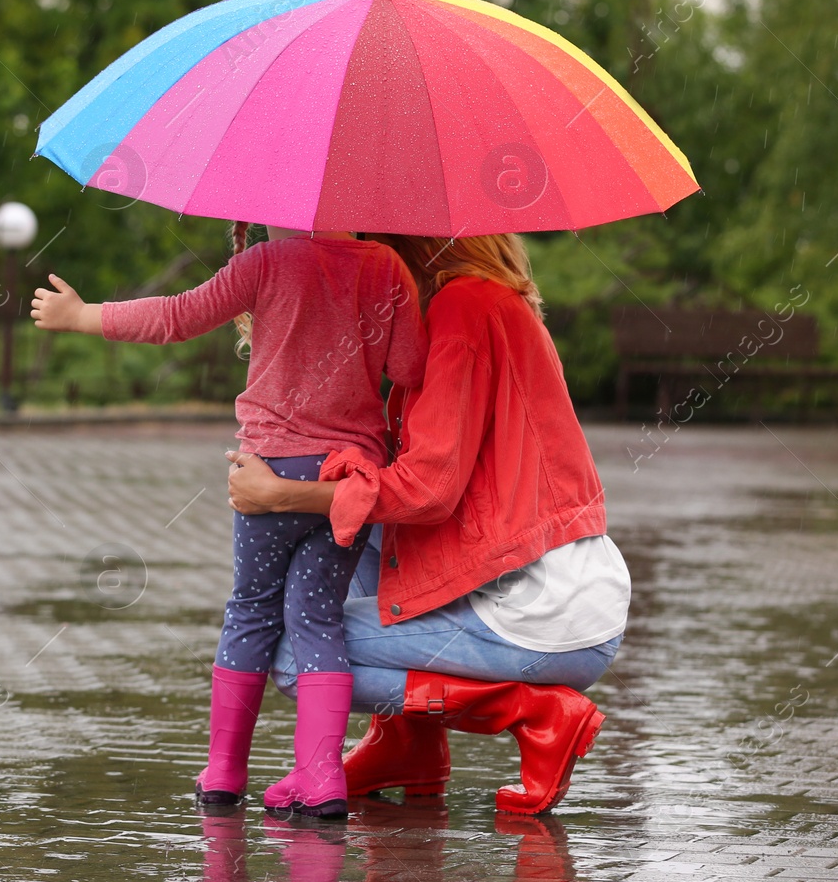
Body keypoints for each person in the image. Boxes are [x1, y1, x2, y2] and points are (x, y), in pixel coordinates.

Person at [30, 222, 426, 818]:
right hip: (345, 478)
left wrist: (84, 316)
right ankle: (322, 778)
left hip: (269, 471)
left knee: (250, 610)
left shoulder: (265, 263)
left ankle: (223, 772)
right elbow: (411, 366)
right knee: (317, 619)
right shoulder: (385, 269)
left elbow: (178, 316)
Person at [225, 233, 629, 815]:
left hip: (540, 611)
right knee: (356, 537)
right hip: (565, 588)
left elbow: (429, 489)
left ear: (401, 249)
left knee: (295, 653)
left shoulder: (462, 310)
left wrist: (285, 494)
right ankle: (405, 744)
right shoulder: (491, 304)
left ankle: (534, 712)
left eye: (364, 252)